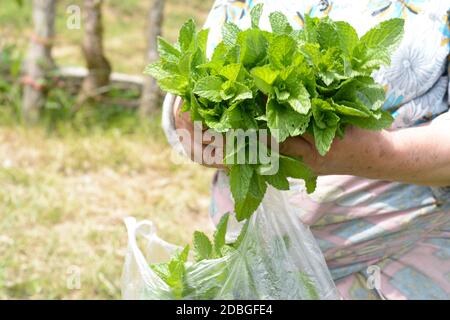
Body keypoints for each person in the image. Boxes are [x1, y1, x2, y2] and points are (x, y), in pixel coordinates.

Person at [162, 0, 450, 299]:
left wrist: (378, 154)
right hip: (246, 265)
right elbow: (200, 68)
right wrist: (186, 114)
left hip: (392, 265)